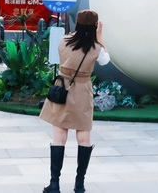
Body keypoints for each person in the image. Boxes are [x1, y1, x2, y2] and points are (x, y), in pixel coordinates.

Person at [39, 10, 110, 193]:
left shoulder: (64, 40)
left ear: (77, 23)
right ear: (95, 25)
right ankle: (79, 185)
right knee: (84, 137)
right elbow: (105, 61)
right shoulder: (96, 47)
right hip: (82, 91)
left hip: (62, 88)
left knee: (59, 137)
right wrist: (99, 37)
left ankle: (54, 184)